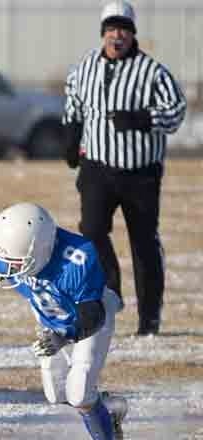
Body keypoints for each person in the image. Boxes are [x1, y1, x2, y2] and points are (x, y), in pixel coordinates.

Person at [0, 202, 129, 440]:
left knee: (78, 394)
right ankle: (107, 411)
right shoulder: (18, 247)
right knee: (57, 394)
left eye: (12, 266)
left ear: (39, 252)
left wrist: (63, 337)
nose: (4, 272)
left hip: (88, 324)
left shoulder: (77, 259)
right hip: (51, 323)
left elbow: (93, 314)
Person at [63, 1, 186, 336]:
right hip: (97, 169)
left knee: (143, 243)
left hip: (140, 173)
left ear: (132, 35)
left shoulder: (152, 72)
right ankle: (110, 297)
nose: (117, 36)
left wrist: (143, 118)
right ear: (103, 33)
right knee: (91, 232)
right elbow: (73, 100)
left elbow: (176, 112)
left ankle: (149, 318)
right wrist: (71, 136)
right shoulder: (85, 66)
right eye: (112, 29)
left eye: (124, 30)